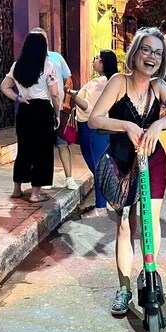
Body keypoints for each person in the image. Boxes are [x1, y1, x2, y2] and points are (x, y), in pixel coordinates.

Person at [89, 27, 166, 316]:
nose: (151, 57)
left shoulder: (159, 87)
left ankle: (149, 273)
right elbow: (95, 119)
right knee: (124, 225)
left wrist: (160, 124)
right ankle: (123, 288)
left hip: (153, 159)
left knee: (150, 219)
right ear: (135, 54)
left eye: (158, 53)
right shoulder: (119, 82)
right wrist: (126, 125)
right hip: (122, 161)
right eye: (146, 50)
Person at [0, 32, 62, 203]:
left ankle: (17, 189)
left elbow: (4, 86)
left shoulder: (17, 66)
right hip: (43, 110)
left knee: (24, 149)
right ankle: (35, 194)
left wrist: (18, 98)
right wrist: (57, 114)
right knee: (42, 151)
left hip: (25, 109)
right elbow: (55, 94)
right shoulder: (48, 66)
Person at [68, 50, 118, 218]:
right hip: (97, 127)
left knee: (98, 167)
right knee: (99, 167)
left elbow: (88, 107)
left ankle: (101, 207)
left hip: (92, 128)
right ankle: (104, 202)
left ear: (104, 64)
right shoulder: (108, 81)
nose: (94, 60)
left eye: (97, 58)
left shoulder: (100, 83)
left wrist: (71, 94)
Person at [42, 31, 79, 191]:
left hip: (59, 107)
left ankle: (69, 178)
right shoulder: (32, 59)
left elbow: (67, 79)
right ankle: (46, 178)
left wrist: (66, 102)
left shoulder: (56, 57)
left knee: (63, 143)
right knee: (45, 145)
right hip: (42, 108)